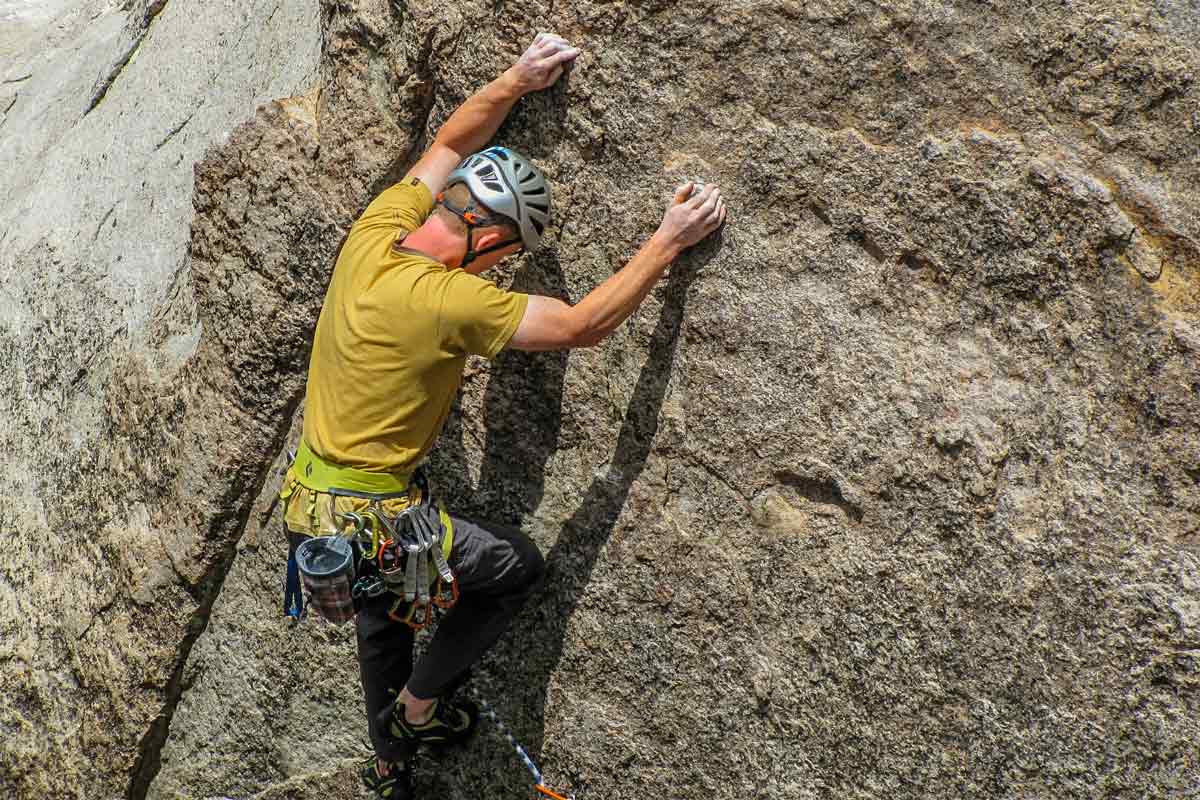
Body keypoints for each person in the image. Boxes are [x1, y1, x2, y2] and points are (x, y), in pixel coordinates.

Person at [277, 32, 727, 800]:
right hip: (374, 521)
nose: (498, 270)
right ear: (486, 237)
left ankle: (391, 766)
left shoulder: (375, 230)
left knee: (382, 620)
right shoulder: (452, 299)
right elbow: (584, 325)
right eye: (501, 256)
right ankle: (419, 711)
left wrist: (517, 79)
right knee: (515, 568)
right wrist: (667, 241)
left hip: (308, 509)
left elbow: (450, 139)